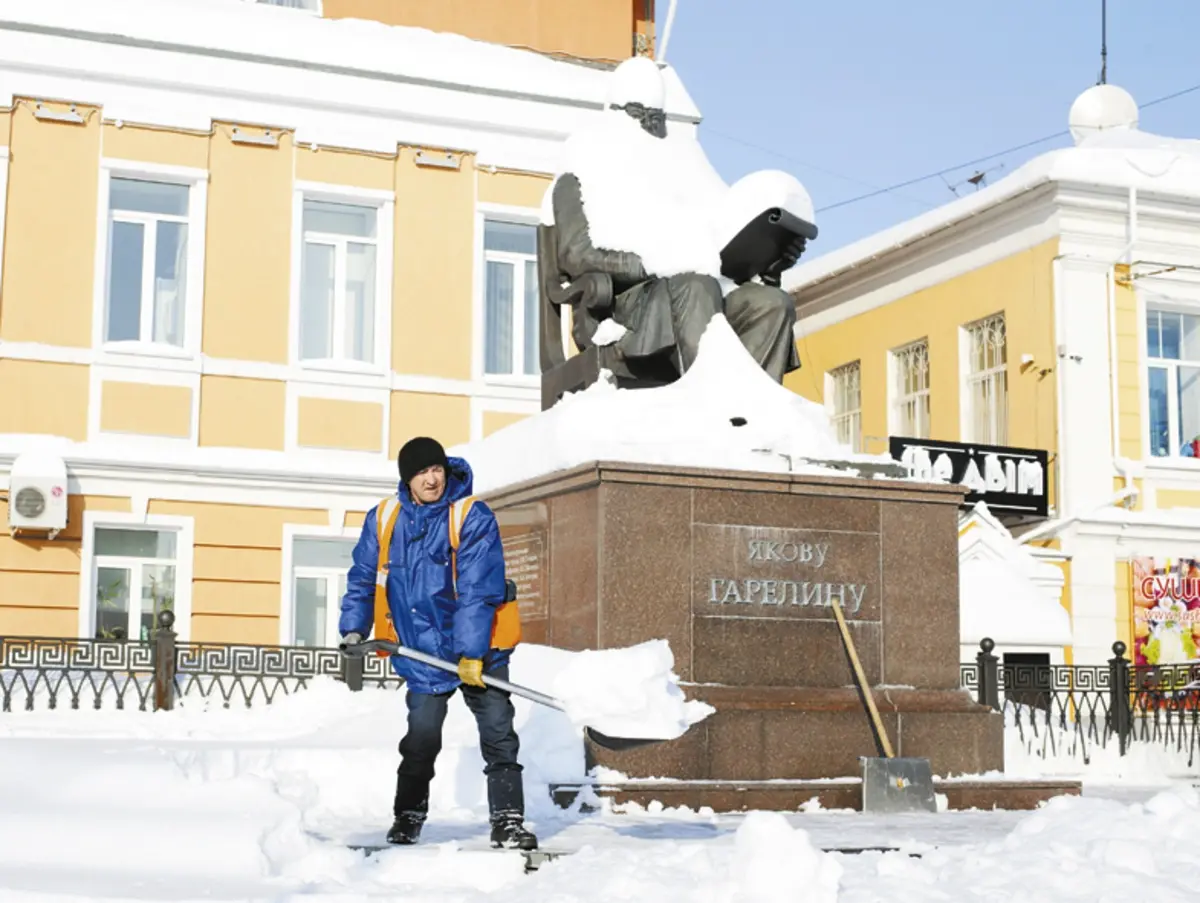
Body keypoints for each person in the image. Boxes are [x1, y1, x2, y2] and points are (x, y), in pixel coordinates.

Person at [338, 436, 537, 850]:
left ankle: (508, 820)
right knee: (421, 738)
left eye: (437, 470)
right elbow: (362, 576)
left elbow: (477, 589)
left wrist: (471, 653)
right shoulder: (384, 518)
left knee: (498, 733)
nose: (432, 479)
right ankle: (408, 817)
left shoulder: (470, 515)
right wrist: (353, 627)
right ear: (407, 478)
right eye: (422, 472)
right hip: (423, 650)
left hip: (481, 646)